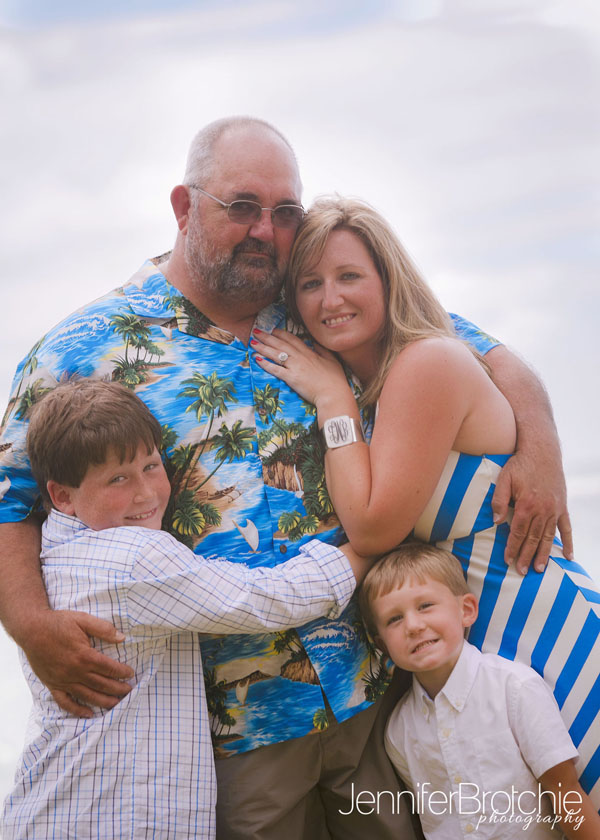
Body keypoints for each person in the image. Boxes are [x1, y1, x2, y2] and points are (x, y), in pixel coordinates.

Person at [0, 117, 574, 839]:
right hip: (240, 727)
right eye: (241, 206)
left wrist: (541, 449)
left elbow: (481, 352)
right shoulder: (84, 348)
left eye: (284, 213)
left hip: (378, 692)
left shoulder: (314, 302)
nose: (265, 231)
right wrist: (25, 621)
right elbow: (11, 497)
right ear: (184, 207)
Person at [252, 195, 600, 808]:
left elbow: (374, 526)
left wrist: (332, 400)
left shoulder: (425, 363)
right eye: (310, 284)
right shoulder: (380, 387)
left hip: (547, 625)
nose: (330, 299)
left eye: (350, 276)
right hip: (488, 646)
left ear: (389, 280)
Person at [1, 380, 370, 840]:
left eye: (151, 466)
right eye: (118, 478)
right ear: (62, 496)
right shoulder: (132, 557)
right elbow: (268, 598)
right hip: (110, 818)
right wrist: (371, 546)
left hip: (64, 806)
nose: (145, 493)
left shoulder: (53, 553)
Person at [358, 542, 600, 839]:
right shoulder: (398, 730)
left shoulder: (514, 688)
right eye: (394, 619)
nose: (413, 625)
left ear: (466, 610)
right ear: (382, 645)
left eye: (425, 606)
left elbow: (565, 793)